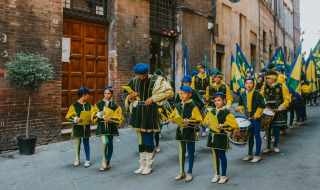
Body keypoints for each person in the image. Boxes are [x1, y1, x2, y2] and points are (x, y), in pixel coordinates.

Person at [122, 63, 172, 175]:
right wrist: (130, 97)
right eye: (139, 76)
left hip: (150, 111)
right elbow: (124, 94)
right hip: (138, 112)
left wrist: (153, 98)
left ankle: (149, 165)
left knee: (148, 137)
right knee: (140, 139)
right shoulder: (133, 80)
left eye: (143, 76)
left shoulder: (157, 80)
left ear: (147, 72)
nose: (141, 78)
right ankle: (142, 164)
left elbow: (168, 91)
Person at [203, 92, 239, 184]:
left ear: (224, 101)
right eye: (215, 101)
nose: (217, 103)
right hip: (212, 136)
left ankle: (224, 175)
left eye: (219, 100)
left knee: (222, 155)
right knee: (215, 155)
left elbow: (234, 125)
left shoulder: (226, 112)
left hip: (221, 137)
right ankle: (217, 174)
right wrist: (206, 122)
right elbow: (204, 121)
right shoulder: (212, 111)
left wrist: (222, 126)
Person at [171, 85, 202, 182]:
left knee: (190, 151)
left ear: (190, 94)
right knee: (181, 151)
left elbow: (199, 120)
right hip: (180, 130)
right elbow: (174, 114)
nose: (182, 95)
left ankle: (189, 172)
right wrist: (173, 120)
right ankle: (181, 171)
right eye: (181, 93)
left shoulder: (193, 106)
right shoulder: (178, 105)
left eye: (184, 93)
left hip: (189, 131)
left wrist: (188, 121)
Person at [91, 86, 124, 171]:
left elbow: (120, 118)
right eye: (105, 93)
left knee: (110, 144)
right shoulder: (98, 104)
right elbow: (93, 116)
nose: (107, 95)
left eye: (108, 93)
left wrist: (111, 119)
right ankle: (104, 159)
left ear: (112, 94)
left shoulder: (115, 106)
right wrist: (99, 114)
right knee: (105, 141)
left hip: (111, 127)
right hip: (102, 126)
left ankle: (107, 163)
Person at [234, 78, 266, 163]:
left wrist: (257, 114)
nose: (248, 85)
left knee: (257, 135)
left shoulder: (257, 94)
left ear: (254, 85)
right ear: (244, 85)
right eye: (247, 83)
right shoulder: (242, 94)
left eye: (251, 83)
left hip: (255, 117)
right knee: (250, 135)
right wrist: (238, 109)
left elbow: (261, 106)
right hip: (247, 117)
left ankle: (257, 155)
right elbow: (242, 105)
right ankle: (249, 154)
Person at [260, 71, 291, 153]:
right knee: (267, 127)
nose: (267, 80)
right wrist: (262, 102)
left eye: (269, 78)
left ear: (274, 78)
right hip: (267, 109)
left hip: (278, 109)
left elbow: (287, 98)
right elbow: (260, 96)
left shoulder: (282, 86)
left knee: (276, 128)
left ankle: (275, 145)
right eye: (267, 78)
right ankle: (267, 147)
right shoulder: (264, 86)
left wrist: (282, 106)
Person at [66, 87, 92, 167]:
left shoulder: (89, 105)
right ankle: (77, 159)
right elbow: (68, 116)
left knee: (86, 142)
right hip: (77, 127)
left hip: (86, 127)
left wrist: (90, 119)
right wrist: (76, 119)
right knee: (77, 142)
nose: (89, 96)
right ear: (83, 95)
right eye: (88, 94)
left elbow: (93, 114)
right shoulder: (74, 105)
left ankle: (87, 159)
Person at [154, 69, 174, 153]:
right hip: (154, 104)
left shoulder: (166, 83)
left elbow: (171, 94)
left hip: (162, 104)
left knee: (161, 120)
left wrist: (168, 96)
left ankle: (158, 139)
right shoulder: (153, 83)